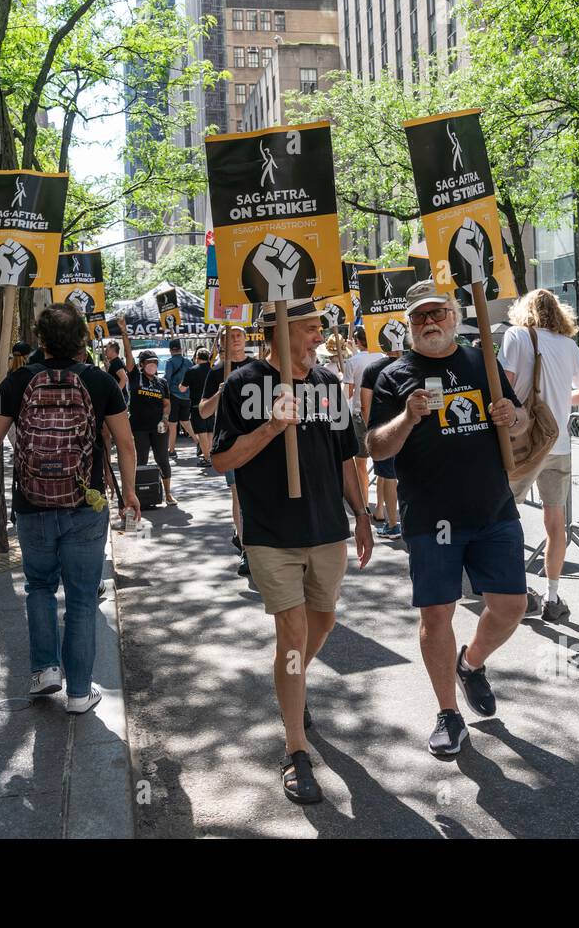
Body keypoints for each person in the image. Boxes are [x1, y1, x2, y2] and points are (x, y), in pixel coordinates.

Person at [212, 299, 372, 804]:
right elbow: (221, 461)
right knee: (294, 632)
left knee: (321, 625)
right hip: (271, 536)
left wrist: (363, 514)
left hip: (326, 529)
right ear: (276, 335)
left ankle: (292, 688)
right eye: (308, 329)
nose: (318, 338)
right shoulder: (242, 385)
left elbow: (347, 456)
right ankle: (296, 751)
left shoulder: (328, 385)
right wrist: (272, 426)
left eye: (318, 329)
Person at [367, 281, 527, 758]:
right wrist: (408, 418)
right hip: (431, 516)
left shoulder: (482, 361)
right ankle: (447, 714)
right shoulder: (393, 375)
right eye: (419, 317)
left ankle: (472, 664)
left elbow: (519, 422)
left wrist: (508, 417)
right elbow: (376, 446)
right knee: (437, 614)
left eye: (437, 313)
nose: (429, 322)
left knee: (511, 606)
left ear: (454, 317)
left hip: (492, 507)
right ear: (409, 325)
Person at [0, 303, 140, 712]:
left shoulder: (17, 380)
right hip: (85, 503)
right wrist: (131, 494)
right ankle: (81, 693)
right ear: (83, 339)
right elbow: (126, 443)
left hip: (32, 504)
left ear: (42, 340)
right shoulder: (100, 381)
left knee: (39, 587)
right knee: (84, 598)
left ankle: (44, 671)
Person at [499, 289, 579, 622]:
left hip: (524, 444)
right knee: (556, 524)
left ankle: (519, 592)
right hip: (559, 444)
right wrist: (558, 400)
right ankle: (553, 597)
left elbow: (505, 387)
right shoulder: (568, 345)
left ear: (523, 310)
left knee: (506, 518)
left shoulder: (516, 335)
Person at [200, 326, 254, 575]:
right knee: (239, 496)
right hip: (231, 442)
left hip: (259, 440)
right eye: (230, 336)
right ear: (222, 342)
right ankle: (246, 550)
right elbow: (203, 412)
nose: (235, 340)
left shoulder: (258, 367)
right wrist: (221, 392)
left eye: (239, 336)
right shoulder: (215, 372)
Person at [358, 339, 401, 538]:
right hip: (410, 429)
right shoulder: (413, 363)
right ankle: (384, 513)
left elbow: (365, 405)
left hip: (382, 431)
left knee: (388, 476)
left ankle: (393, 524)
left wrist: (370, 432)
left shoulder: (372, 369)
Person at [127, 351, 175, 506]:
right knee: (141, 460)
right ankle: (138, 494)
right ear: (141, 365)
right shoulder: (135, 377)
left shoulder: (162, 383)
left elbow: (166, 404)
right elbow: (128, 356)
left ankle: (167, 494)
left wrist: (165, 418)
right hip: (139, 428)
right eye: (149, 362)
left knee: (162, 459)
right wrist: (124, 335)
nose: (152, 365)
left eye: (155, 362)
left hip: (159, 428)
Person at [344, 326, 377, 516]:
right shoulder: (381, 357)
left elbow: (347, 393)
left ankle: (364, 504)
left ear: (357, 341)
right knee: (384, 465)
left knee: (361, 464)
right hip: (381, 411)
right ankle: (381, 506)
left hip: (359, 414)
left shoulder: (353, 361)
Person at [163, 339, 195, 459]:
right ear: (181, 349)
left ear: (170, 350)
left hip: (174, 396)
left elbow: (167, 379)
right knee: (185, 421)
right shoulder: (188, 362)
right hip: (187, 396)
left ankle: (171, 450)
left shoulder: (170, 362)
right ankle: (198, 442)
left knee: (172, 424)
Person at [182, 347, 213, 467]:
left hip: (197, 406)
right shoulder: (213, 370)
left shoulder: (191, 370)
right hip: (212, 405)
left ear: (196, 358)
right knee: (210, 431)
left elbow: (183, 388)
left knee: (202, 433)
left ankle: (206, 458)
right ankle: (209, 454)